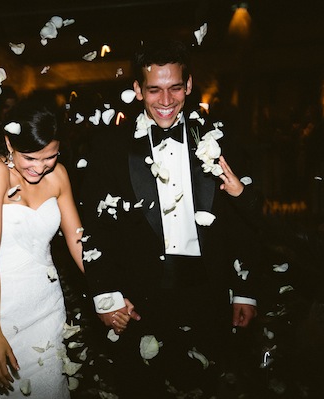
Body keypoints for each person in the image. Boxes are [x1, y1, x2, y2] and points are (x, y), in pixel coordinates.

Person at [79, 40, 260, 398]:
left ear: (189, 86)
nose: (166, 101)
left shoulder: (220, 140)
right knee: (142, 386)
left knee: (207, 383)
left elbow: (241, 220)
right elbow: (94, 224)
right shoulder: (109, 147)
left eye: (175, 87)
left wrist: (246, 291)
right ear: (136, 90)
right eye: (154, 90)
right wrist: (105, 291)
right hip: (140, 294)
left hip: (208, 290)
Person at [0, 100, 85, 398]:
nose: (39, 167)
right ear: (9, 142)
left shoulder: (58, 176)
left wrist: (107, 292)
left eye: (49, 157)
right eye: (30, 157)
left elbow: (77, 240)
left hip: (47, 310)